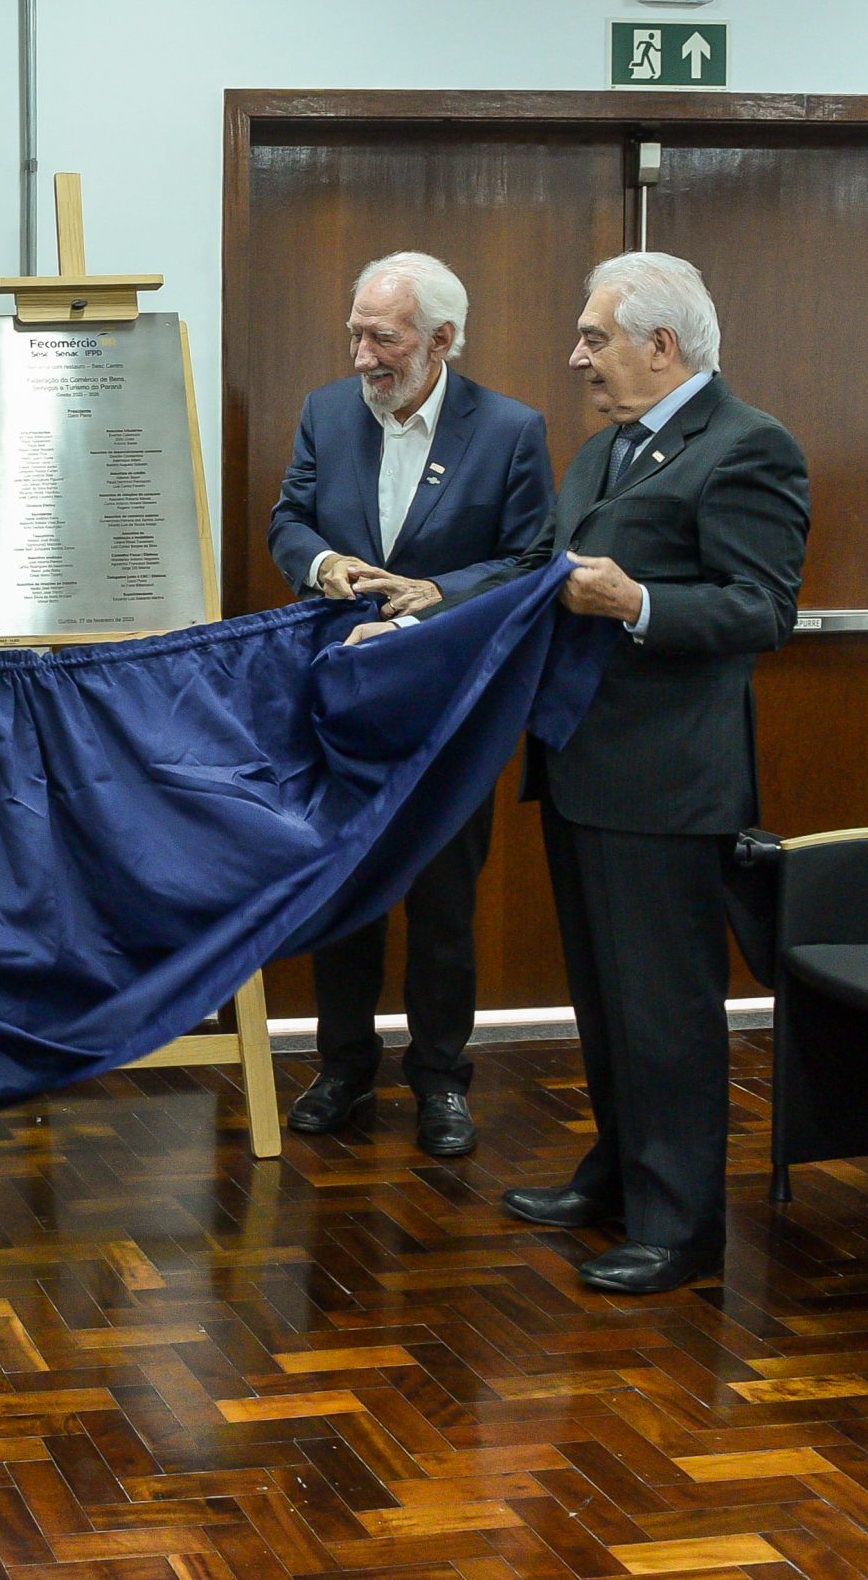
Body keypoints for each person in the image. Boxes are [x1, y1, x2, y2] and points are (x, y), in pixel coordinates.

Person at [351, 251, 807, 1294]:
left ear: (661, 344)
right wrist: (433, 598)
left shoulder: (748, 447)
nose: (576, 358)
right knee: (606, 1005)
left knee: (664, 1013)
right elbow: (533, 569)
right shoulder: (608, 451)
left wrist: (636, 603)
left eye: (593, 339)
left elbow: (759, 609)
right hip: (581, 768)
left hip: (667, 788)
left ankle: (682, 1229)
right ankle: (615, 1178)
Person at [268, 251, 554, 1156]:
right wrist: (323, 564)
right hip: (346, 704)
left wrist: (438, 591)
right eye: (354, 332)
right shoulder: (325, 412)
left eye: (381, 336)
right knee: (344, 889)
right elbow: (289, 518)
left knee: (442, 901)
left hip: (450, 708)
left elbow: (530, 556)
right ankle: (343, 1068)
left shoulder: (510, 430)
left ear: (440, 340)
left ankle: (441, 1080)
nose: (361, 355)